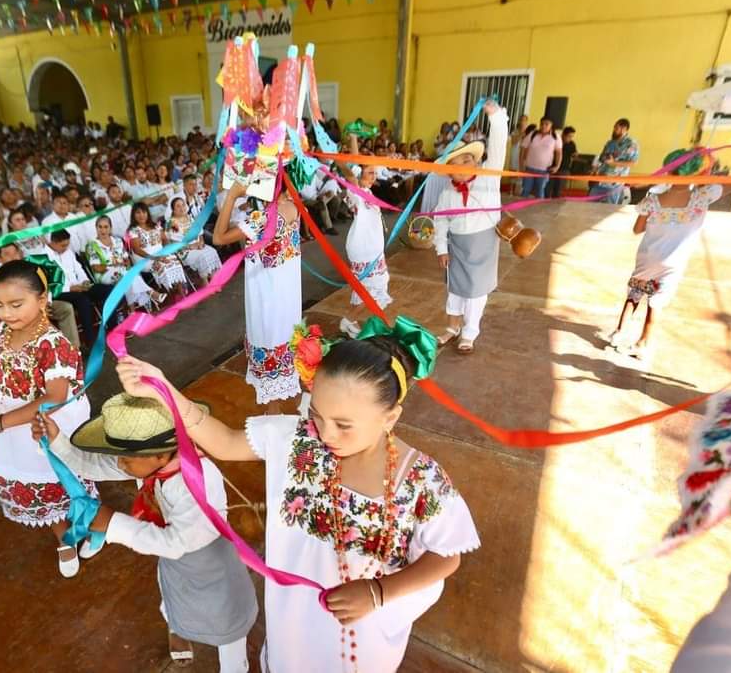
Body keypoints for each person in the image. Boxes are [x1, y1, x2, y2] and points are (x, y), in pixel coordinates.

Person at [113, 316, 479, 672]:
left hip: (365, 636)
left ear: (390, 417)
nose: (327, 433)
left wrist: (378, 592)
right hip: (293, 623)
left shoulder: (419, 479)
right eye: (317, 415)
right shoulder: (296, 440)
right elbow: (224, 442)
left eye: (344, 425)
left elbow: (446, 556)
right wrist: (163, 389)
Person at [33, 393, 258, 671]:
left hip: (211, 563)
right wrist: (56, 439)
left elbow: (179, 543)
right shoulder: (149, 462)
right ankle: (177, 629)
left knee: (229, 621)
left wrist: (112, 523)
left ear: (160, 454)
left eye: (124, 458)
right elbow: (92, 465)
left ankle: (235, 665)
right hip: (172, 557)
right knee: (172, 591)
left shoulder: (196, 479)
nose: (120, 464)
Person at [0, 260, 97, 577]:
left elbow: (53, 397)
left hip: (46, 425)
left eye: (16, 304)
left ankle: (91, 528)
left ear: (42, 300)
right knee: (39, 485)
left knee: (65, 482)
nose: (6, 313)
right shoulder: (0, 325)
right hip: (14, 428)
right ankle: (65, 541)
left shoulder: (53, 345)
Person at [607, 146, 731, 360]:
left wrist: (659, 221)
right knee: (656, 303)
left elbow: (637, 229)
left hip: (647, 257)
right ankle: (642, 344)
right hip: (672, 262)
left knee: (634, 295)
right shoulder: (702, 197)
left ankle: (619, 333)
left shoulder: (652, 199)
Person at [213, 181, 302, 412]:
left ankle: (274, 411)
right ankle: (279, 404)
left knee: (269, 337)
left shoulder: (263, 218)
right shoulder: (293, 207)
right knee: (283, 336)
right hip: (286, 292)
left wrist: (231, 197)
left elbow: (218, 238)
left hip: (268, 295)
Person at [432, 99, 507, 354]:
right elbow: (440, 220)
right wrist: (441, 248)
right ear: (449, 172)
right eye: (455, 163)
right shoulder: (447, 193)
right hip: (458, 246)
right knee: (455, 289)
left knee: (476, 293)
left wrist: (495, 117)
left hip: (483, 245)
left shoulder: (489, 177)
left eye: (466, 159)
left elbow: (498, 146)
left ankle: (469, 332)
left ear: (475, 161)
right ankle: (452, 327)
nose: (462, 166)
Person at [338, 134, 392, 337]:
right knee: (375, 290)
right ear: (359, 174)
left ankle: (350, 320)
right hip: (364, 249)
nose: (374, 176)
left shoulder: (367, 192)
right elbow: (350, 169)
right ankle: (348, 320)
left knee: (367, 289)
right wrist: (352, 141)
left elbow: (356, 167)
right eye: (370, 172)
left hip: (372, 248)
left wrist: (354, 141)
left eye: (375, 172)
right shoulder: (356, 193)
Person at [46, 229, 116, 344]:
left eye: (67, 245)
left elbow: (79, 269)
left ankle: (113, 328)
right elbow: (49, 283)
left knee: (108, 290)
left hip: (78, 287)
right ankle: (91, 341)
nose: (66, 248)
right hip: (60, 291)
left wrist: (85, 281)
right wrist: (70, 288)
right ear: (53, 242)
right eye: (63, 245)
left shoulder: (68, 252)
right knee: (83, 300)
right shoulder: (44, 257)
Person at [84, 216, 163, 311]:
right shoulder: (92, 245)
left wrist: (125, 264)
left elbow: (127, 260)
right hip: (104, 274)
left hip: (123, 272)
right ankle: (150, 292)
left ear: (110, 228)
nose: (103, 230)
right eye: (100, 227)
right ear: (96, 228)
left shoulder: (117, 241)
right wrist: (114, 266)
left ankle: (132, 310)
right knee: (125, 273)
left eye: (106, 227)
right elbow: (96, 268)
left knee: (127, 276)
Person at [129, 202, 186, 297]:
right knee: (163, 266)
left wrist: (165, 253)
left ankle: (180, 291)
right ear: (133, 215)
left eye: (144, 212)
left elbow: (165, 240)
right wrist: (155, 258)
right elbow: (137, 250)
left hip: (161, 255)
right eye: (138, 212)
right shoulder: (132, 231)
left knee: (174, 262)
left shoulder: (155, 226)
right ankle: (172, 293)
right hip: (145, 260)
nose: (141, 215)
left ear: (147, 213)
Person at [166, 196, 222, 287]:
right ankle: (205, 283)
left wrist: (201, 242)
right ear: (173, 210)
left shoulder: (189, 217)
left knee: (212, 251)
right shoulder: (172, 223)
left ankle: (214, 279)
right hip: (184, 251)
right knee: (202, 256)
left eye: (183, 205)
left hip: (198, 245)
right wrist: (191, 247)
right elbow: (175, 243)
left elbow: (199, 232)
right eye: (178, 206)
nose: (182, 208)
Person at [590, 118, 640, 205]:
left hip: (614, 184)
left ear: (624, 129)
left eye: (616, 128)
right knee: (589, 204)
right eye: (614, 127)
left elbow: (634, 163)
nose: (614, 130)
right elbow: (601, 158)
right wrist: (595, 168)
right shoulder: (610, 143)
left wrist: (614, 163)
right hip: (600, 180)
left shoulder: (631, 144)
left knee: (608, 209)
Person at [519, 117, 562, 199]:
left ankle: (538, 210)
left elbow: (559, 153)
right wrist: (521, 165)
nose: (543, 126)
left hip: (544, 171)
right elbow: (523, 148)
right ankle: (520, 209)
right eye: (542, 124)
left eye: (546, 124)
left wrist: (557, 166)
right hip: (529, 169)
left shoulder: (555, 137)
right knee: (525, 190)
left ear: (551, 126)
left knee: (539, 192)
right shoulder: (533, 134)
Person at [549, 126, 577, 199]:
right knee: (548, 189)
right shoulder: (556, 141)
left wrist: (575, 155)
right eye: (569, 136)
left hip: (564, 169)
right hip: (552, 168)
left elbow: (574, 154)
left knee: (558, 191)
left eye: (572, 136)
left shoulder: (572, 144)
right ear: (563, 135)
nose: (571, 138)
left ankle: (554, 207)